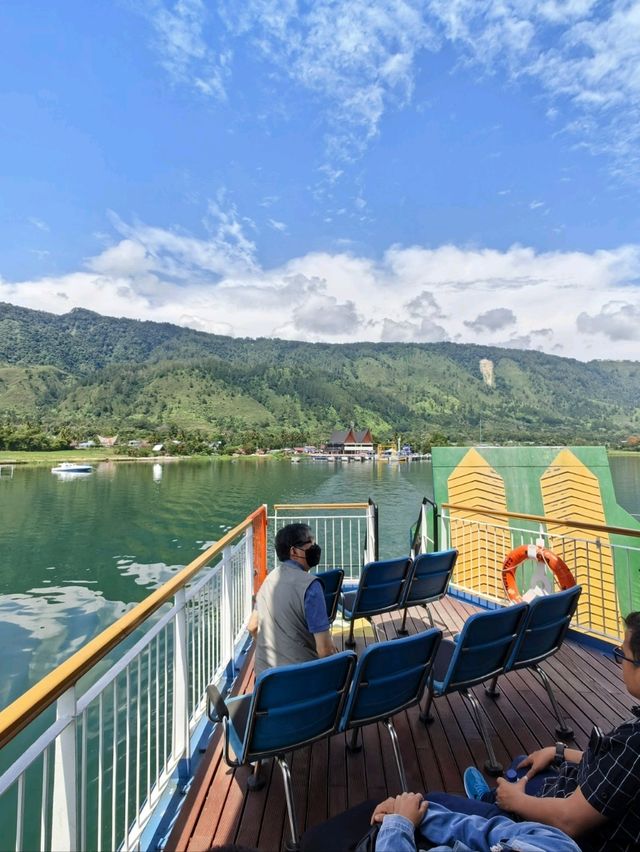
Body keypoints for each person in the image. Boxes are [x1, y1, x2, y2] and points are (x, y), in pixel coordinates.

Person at [454, 610, 640, 851]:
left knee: (433, 802)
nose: (619, 663)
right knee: (523, 763)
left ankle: (492, 805)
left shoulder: (634, 744)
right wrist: (559, 751)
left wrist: (518, 801)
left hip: (562, 832)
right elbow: (618, 772)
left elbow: (569, 820)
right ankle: (495, 798)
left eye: (622, 655)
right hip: (584, 794)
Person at [247, 522, 338, 675]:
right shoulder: (311, 587)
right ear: (294, 551)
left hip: (266, 682)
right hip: (301, 682)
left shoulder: (269, 580)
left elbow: (252, 626)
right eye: (311, 542)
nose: (315, 547)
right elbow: (325, 651)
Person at [370, 791, 580, 852]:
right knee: (430, 800)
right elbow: (489, 832)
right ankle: (488, 798)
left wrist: (399, 825)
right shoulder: (558, 845)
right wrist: (423, 814)